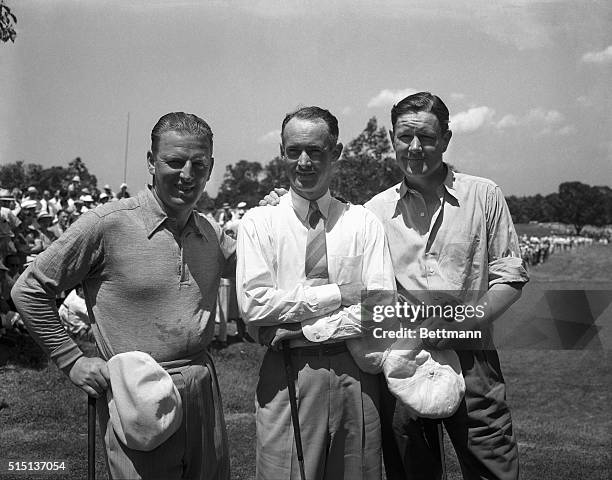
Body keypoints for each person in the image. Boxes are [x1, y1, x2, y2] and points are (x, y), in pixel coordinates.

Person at [12, 112, 234, 480]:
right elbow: (30, 289)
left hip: (202, 387)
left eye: (199, 164)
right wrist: (72, 360)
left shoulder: (211, 232)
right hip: (137, 391)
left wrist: (278, 213)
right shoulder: (106, 224)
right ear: (150, 162)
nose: (187, 174)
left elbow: (262, 269)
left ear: (210, 168)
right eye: (174, 162)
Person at [364, 92, 529, 480]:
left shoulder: (483, 194)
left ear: (447, 139)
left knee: (493, 469)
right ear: (392, 139)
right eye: (405, 137)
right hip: (404, 357)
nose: (415, 147)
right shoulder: (374, 212)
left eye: (427, 137)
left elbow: (509, 277)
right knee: (411, 471)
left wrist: (460, 325)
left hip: (473, 356)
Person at [237, 106, 395, 479]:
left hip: (354, 370)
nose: (304, 162)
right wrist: (339, 294)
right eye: (294, 151)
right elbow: (255, 306)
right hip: (288, 370)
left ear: (335, 153)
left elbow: (380, 305)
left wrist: (303, 328)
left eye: (316, 151)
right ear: (282, 152)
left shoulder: (362, 222)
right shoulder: (259, 223)